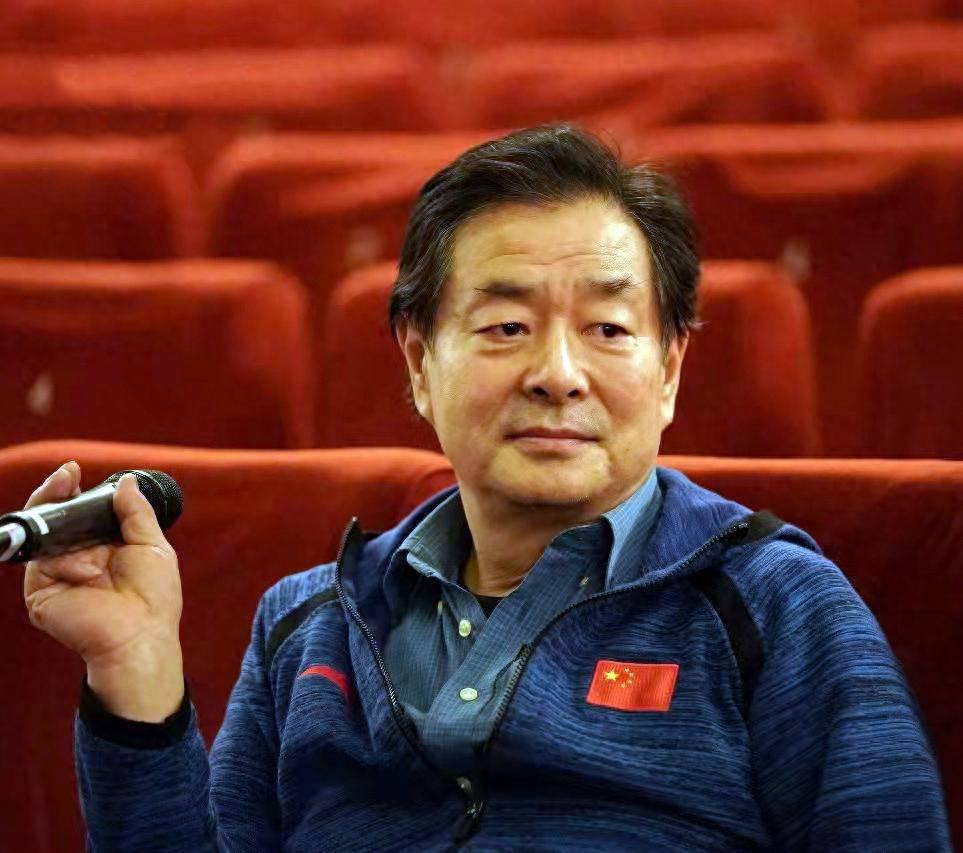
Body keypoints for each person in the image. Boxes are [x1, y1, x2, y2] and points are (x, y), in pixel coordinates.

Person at [24, 124, 949, 851]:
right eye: (506, 326)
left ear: (669, 369)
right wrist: (134, 669)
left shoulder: (776, 603)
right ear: (418, 363)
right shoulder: (308, 624)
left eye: (608, 330)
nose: (558, 374)